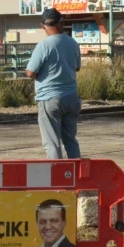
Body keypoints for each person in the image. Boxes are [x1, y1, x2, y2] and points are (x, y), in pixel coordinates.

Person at [25, 8, 82, 159]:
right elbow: (77, 67)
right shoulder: (73, 43)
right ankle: (76, 176)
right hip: (71, 97)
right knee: (70, 140)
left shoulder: (44, 46)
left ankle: (58, 178)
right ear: (61, 22)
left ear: (42, 25)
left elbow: (31, 72)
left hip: (50, 98)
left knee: (52, 143)